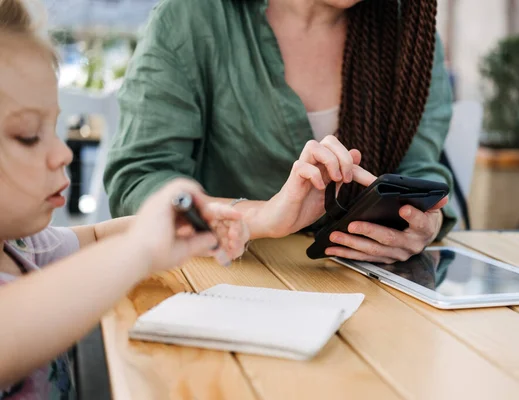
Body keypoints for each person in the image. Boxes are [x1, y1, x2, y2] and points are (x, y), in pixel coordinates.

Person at [0, 0, 249, 396]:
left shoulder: (19, 246)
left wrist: (167, 223)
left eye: (54, 128)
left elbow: (95, 238)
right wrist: (139, 249)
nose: (63, 152)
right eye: (29, 135)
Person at [104, 0, 456, 264]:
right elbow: (139, 182)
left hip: (367, 296)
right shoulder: (194, 17)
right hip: (223, 281)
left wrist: (423, 222)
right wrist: (258, 217)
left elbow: (419, 169)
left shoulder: (411, 34)